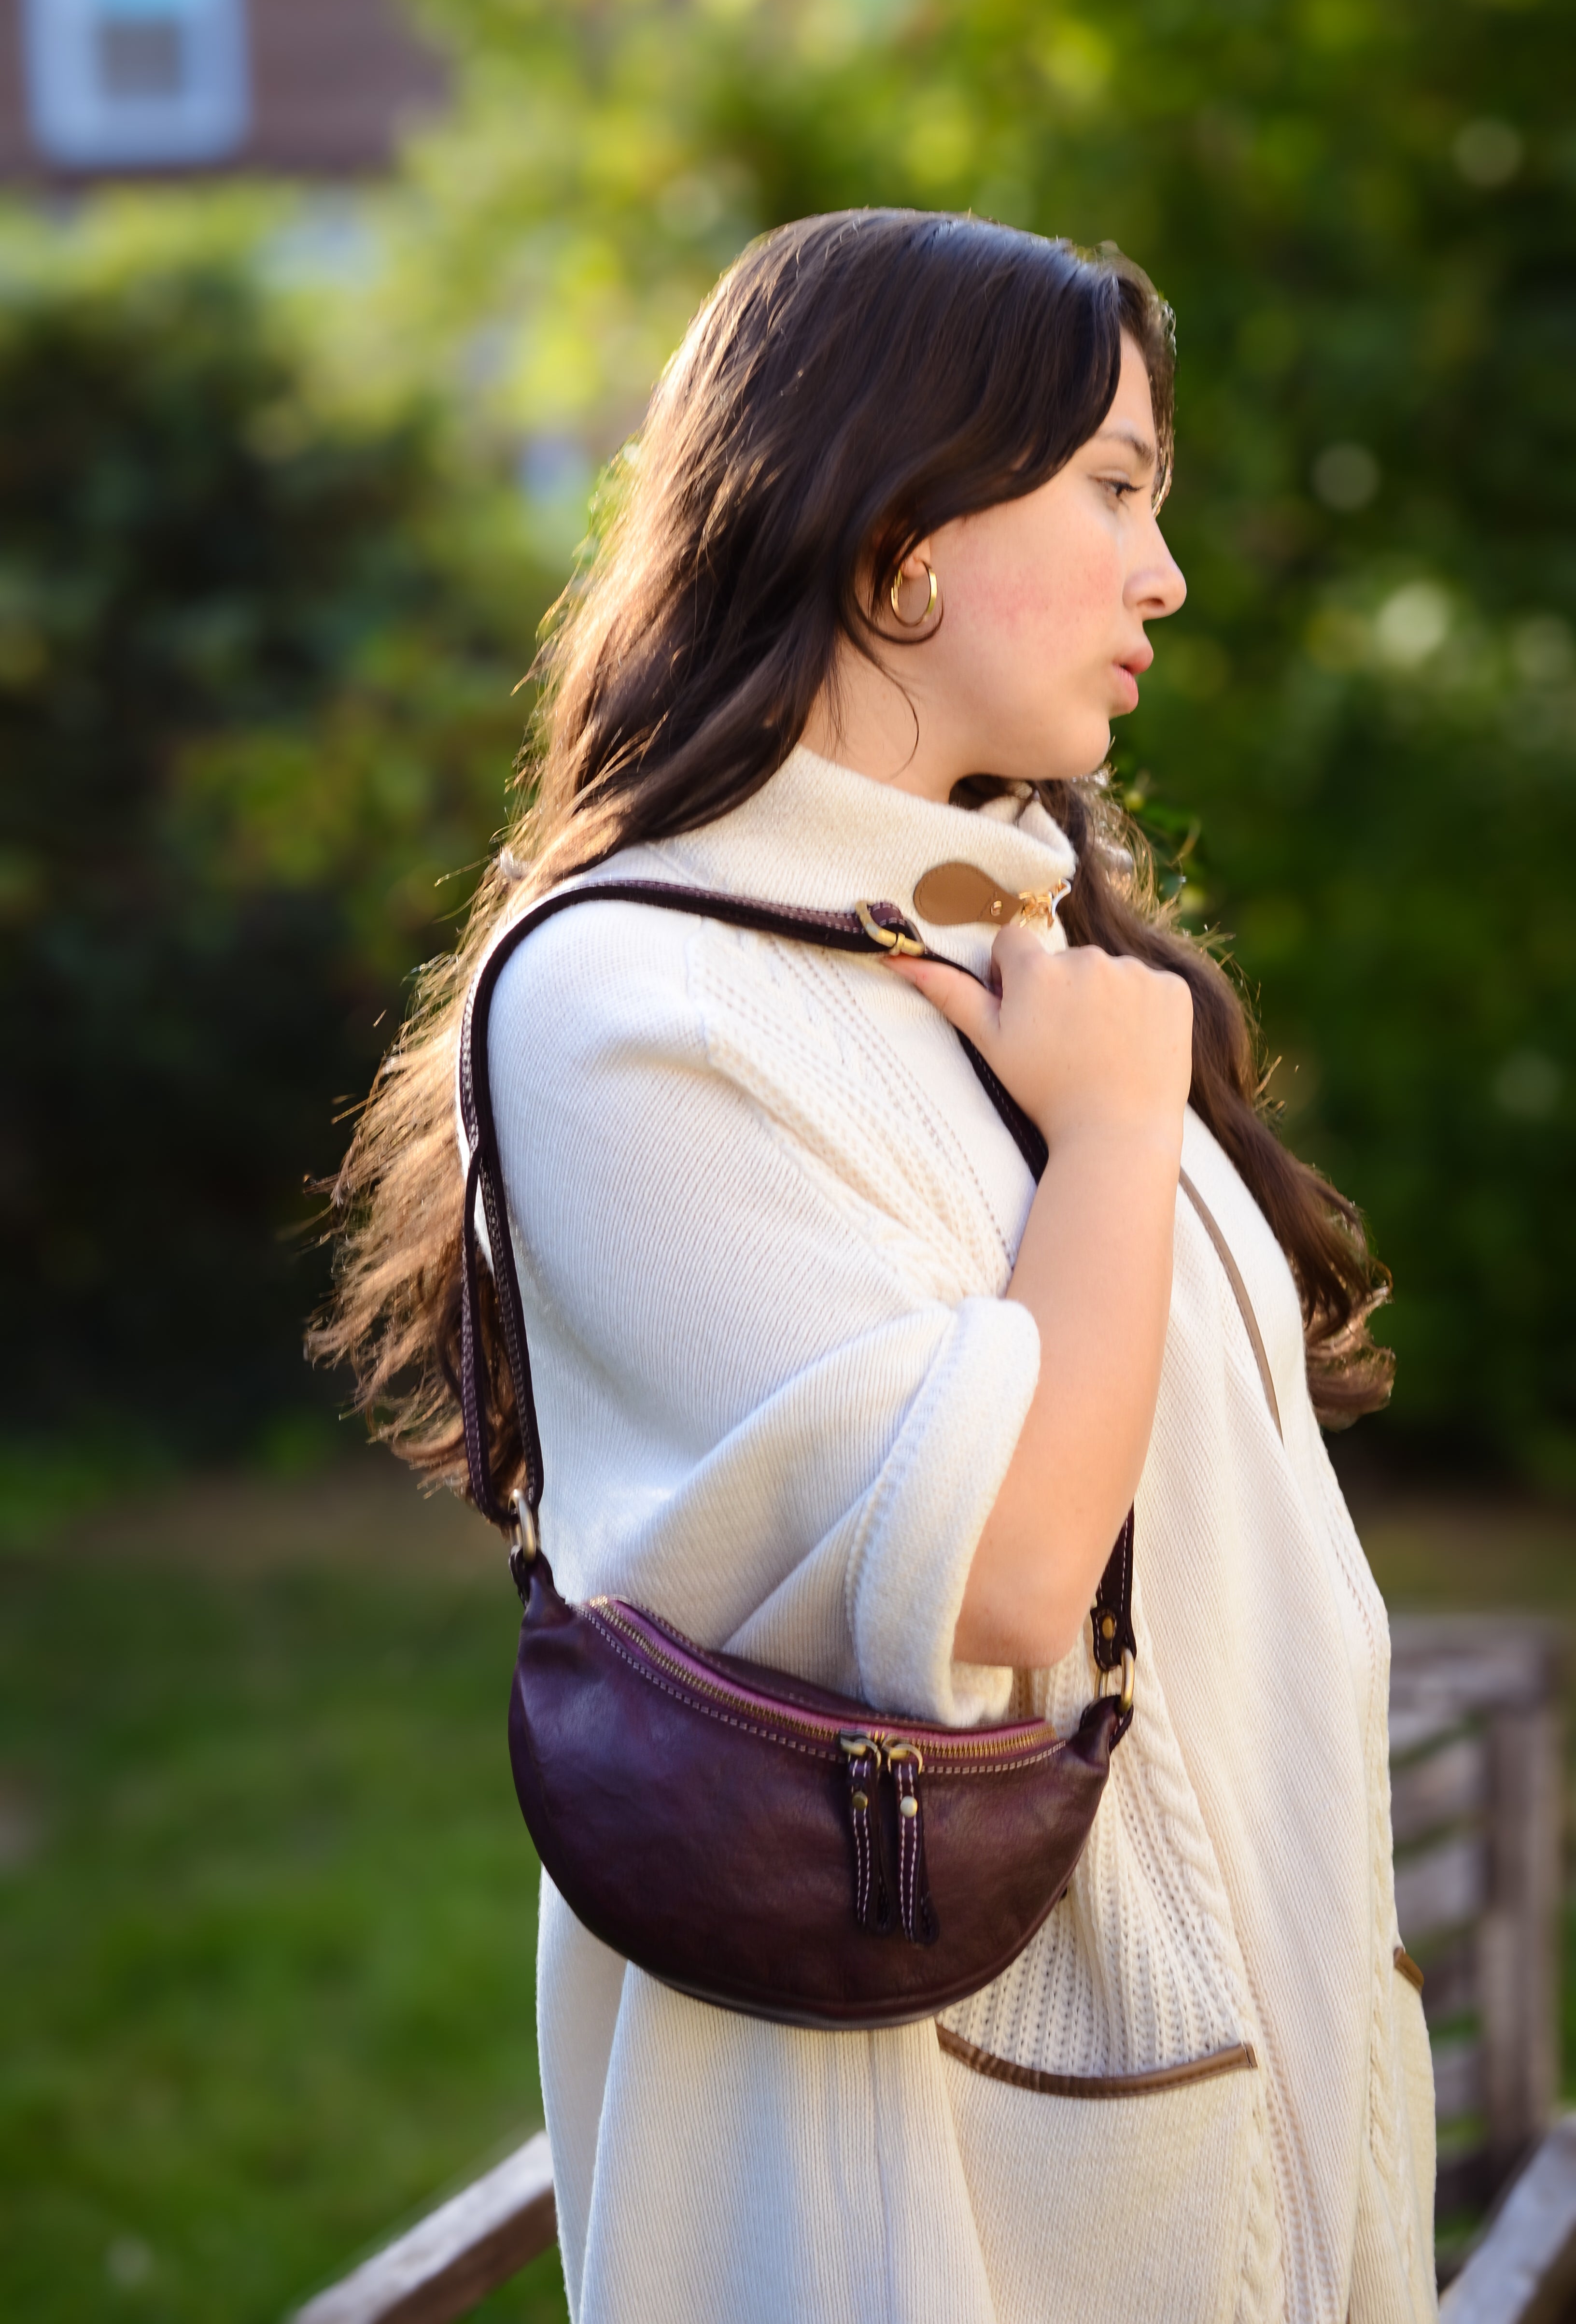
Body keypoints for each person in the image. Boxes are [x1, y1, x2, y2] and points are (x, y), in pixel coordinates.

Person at [318, 211, 1436, 2324]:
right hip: (949, 2195)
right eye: (1115, 487)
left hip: (1239, 2129)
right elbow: (1006, 1573)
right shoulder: (641, 998)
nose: (1164, 574)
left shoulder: (1001, 944)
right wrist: (1116, 1135)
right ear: (902, 539)